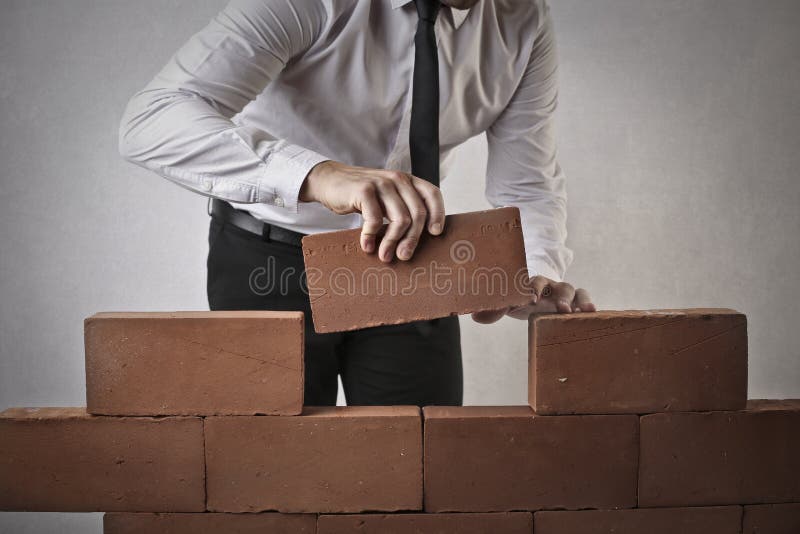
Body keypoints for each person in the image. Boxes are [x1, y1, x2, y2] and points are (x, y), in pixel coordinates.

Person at [119, 0, 595, 407]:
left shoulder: (523, 19)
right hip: (269, 261)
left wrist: (532, 267)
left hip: (413, 262)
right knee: (272, 473)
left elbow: (527, 182)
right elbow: (153, 118)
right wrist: (315, 174)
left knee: (422, 471)